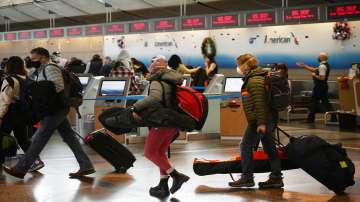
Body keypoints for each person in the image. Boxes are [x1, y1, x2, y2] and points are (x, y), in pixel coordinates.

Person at [3, 47, 95, 179]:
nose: (31, 61)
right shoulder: (41, 69)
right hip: (55, 108)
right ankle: (86, 165)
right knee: (69, 137)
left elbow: (58, 87)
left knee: (39, 138)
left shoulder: (50, 68)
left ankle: (21, 168)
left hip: (55, 109)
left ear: (42, 57)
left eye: (34, 58)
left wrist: (45, 99)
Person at [131, 56, 190, 198]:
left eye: (155, 61)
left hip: (161, 121)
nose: (151, 63)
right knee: (160, 153)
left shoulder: (158, 79)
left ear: (161, 66)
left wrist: (135, 107)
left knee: (149, 153)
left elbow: (154, 98)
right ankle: (163, 186)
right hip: (173, 120)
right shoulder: (172, 78)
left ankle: (177, 176)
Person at [229, 54, 283, 189]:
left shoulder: (254, 81)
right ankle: (276, 178)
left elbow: (260, 104)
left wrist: (261, 123)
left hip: (261, 120)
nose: (238, 68)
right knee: (270, 148)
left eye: (239, 64)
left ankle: (247, 177)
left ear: (246, 65)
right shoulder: (258, 77)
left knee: (245, 145)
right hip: (267, 118)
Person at [0, 56, 44, 172]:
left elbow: (5, 101)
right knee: (23, 139)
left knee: (2, 136)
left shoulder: (9, 80)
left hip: (10, 114)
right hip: (23, 114)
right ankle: (36, 160)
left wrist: (0, 115)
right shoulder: (26, 78)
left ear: (8, 66)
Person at [296, 52, 335, 123]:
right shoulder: (323, 65)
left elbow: (322, 77)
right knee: (325, 102)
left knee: (314, 102)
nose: (318, 57)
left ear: (321, 58)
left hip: (319, 86)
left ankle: (310, 119)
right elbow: (314, 69)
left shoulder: (322, 66)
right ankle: (334, 117)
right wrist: (304, 66)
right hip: (323, 86)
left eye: (319, 56)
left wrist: (314, 75)